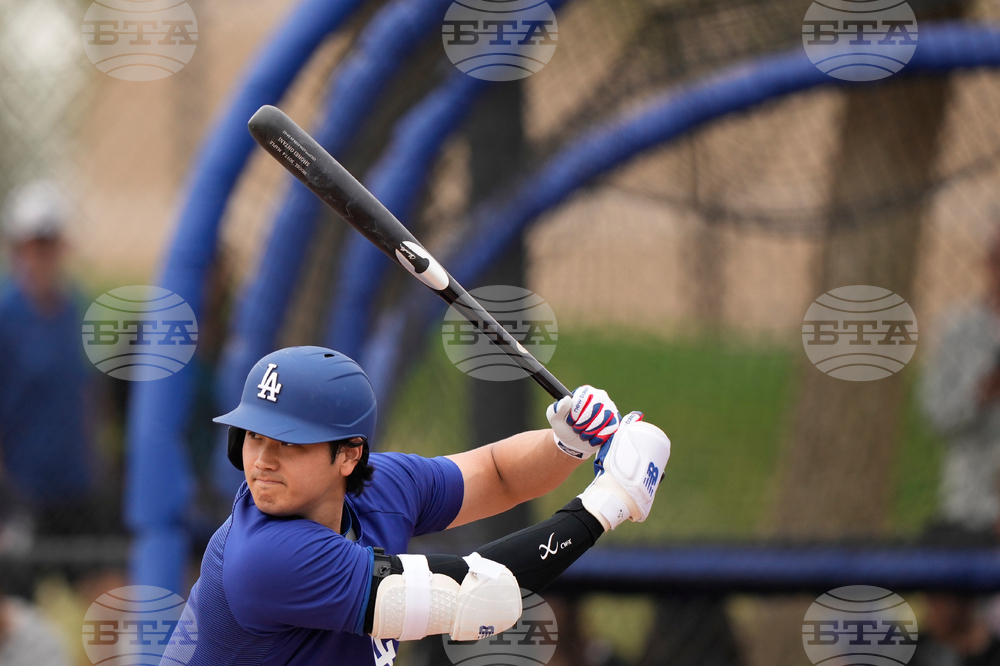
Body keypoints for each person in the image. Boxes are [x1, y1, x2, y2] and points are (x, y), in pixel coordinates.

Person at [162, 346, 671, 665]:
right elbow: (479, 599)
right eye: (254, 436)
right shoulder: (267, 557)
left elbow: (495, 473)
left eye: (290, 442)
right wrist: (609, 502)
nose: (263, 460)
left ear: (349, 454)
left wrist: (565, 444)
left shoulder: (381, 489)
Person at [0, 181, 104, 539]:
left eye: (51, 242)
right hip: (21, 489)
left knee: (106, 579)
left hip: (74, 484)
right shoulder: (6, 315)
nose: (43, 255)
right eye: (35, 244)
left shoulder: (76, 307)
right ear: (18, 248)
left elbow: (86, 392)